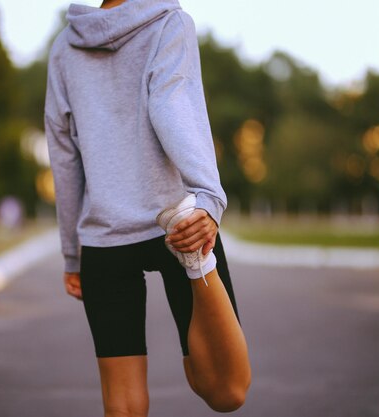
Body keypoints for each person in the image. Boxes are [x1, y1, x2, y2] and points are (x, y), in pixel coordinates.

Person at [44, 0, 251, 415]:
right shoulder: (170, 23)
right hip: (181, 225)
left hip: (103, 238)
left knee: (122, 406)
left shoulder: (65, 46)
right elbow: (171, 103)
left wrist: (73, 254)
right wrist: (207, 199)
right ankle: (198, 264)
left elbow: (63, 155)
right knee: (226, 391)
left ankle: (195, 263)